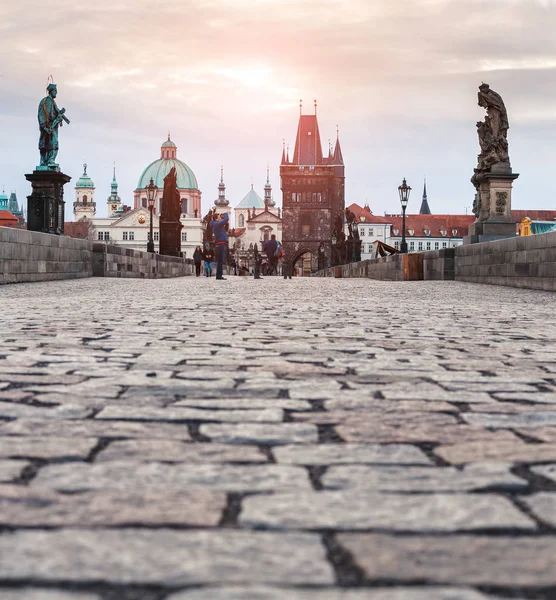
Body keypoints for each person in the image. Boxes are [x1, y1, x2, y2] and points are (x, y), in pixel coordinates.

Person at [211, 212, 229, 280]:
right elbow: (226, 218)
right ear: (216, 218)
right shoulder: (217, 224)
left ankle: (219, 275)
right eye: (219, 217)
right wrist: (225, 213)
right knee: (220, 260)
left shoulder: (216, 224)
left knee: (220, 260)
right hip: (221, 243)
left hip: (220, 243)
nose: (220, 218)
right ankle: (218, 276)